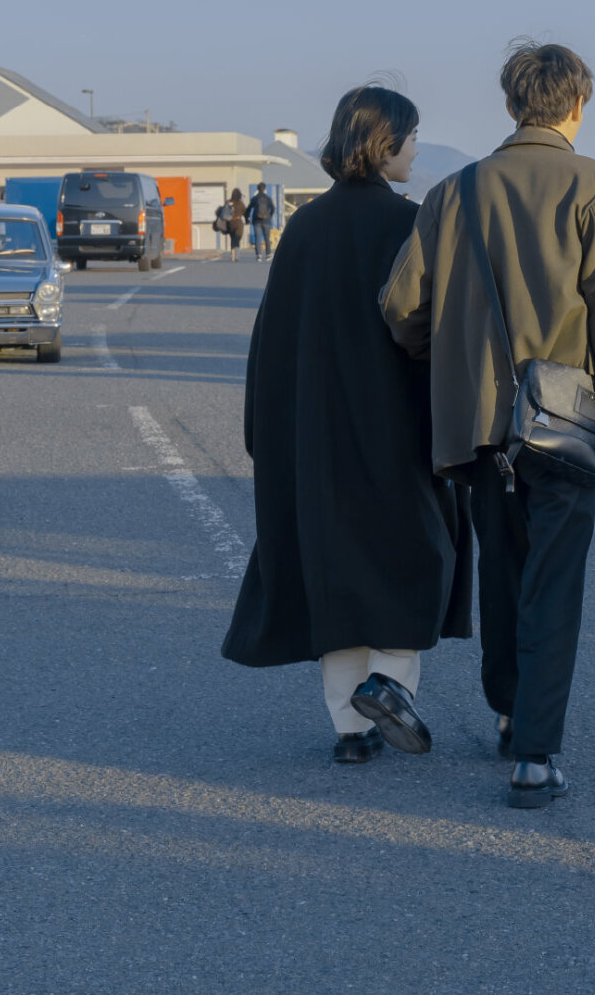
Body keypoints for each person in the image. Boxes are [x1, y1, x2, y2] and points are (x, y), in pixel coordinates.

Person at [381, 41, 595, 808]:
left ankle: (507, 711)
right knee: (554, 584)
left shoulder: (457, 191)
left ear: (510, 106)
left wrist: (454, 359)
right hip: (566, 426)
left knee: (500, 572)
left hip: (477, 424)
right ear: (577, 106)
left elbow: (402, 306)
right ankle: (535, 755)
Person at [221, 86, 472, 766]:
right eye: (412, 139)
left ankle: (350, 732)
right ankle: (389, 684)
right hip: (397, 425)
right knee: (421, 555)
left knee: (334, 571)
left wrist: (264, 431)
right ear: (385, 142)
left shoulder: (304, 227)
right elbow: (433, 332)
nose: (417, 152)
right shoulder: (411, 224)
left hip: (313, 432)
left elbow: (271, 338)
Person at [246, 182, 275, 261]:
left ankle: (259, 255)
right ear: (264, 189)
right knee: (267, 238)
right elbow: (273, 208)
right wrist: (269, 215)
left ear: (258, 189)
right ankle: (268, 254)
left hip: (256, 220)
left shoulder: (255, 198)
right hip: (266, 220)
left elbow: (248, 209)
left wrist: (247, 218)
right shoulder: (268, 198)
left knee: (257, 238)